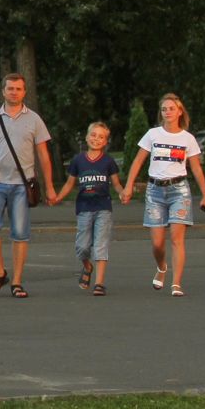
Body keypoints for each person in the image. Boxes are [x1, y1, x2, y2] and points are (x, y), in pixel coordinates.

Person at [0, 72, 57, 298]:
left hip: (22, 185)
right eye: (10, 88)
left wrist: (49, 187)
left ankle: (17, 282)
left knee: (20, 234)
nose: (14, 92)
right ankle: (0, 272)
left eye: (18, 89)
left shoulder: (34, 119)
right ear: (3, 91)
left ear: (24, 92)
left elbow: (43, 155)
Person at [121, 93, 205, 297]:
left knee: (176, 238)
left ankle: (176, 283)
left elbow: (196, 168)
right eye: (164, 109)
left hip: (179, 190)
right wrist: (128, 186)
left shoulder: (187, 139)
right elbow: (137, 161)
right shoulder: (153, 134)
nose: (168, 112)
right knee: (157, 243)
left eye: (171, 108)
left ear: (180, 111)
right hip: (155, 191)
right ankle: (162, 266)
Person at [57, 122, 119, 295]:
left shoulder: (108, 161)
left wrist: (123, 193)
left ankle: (99, 283)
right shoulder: (78, 160)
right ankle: (87, 266)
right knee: (82, 247)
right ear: (86, 137)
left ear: (105, 141)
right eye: (93, 135)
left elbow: (116, 184)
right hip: (84, 207)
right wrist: (58, 197)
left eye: (101, 137)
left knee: (100, 245)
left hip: (103, 207)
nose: (96, 139)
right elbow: (70, 184)